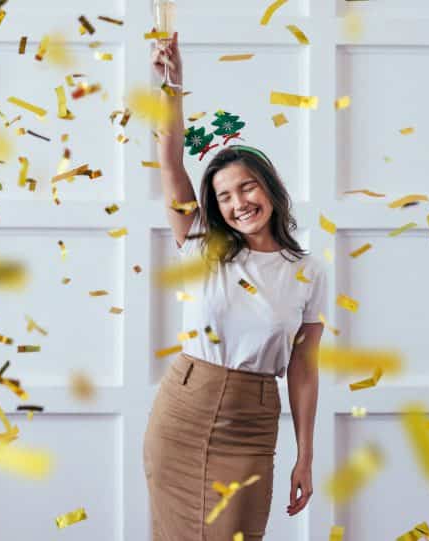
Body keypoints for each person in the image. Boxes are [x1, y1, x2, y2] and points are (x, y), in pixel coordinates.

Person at [143, 31, 328, 540]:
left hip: (252, 423)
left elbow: (305, 368)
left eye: (247, 186)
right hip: (182, 411)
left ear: (269, 188)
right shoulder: (202, 241)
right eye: (224, 195)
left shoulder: (307, 270)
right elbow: (169, 157)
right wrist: (171, 84)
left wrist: (305, 455)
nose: (238, 202)